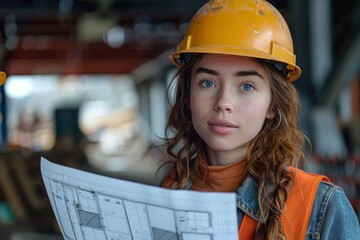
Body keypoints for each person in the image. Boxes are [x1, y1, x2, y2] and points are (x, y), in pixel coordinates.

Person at [160, 0, 360, 239]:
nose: (223, 102)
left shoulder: (319, 206)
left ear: (272, 105)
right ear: (187, 97)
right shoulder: (172, 187)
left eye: (246, 86)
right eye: (208, 83)